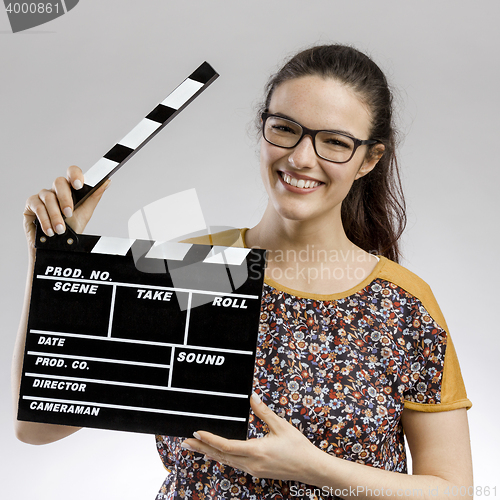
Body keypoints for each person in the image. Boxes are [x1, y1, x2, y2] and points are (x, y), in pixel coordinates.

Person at [13, 44, 473, 499]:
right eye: (285, 129)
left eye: (334, 141)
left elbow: (452, 491)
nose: (300, 158)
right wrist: (51, 261)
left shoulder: (402, 304)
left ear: (369, 159)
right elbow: (36, 427)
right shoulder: (194, 269)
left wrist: (314, 469)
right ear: (263, 130)